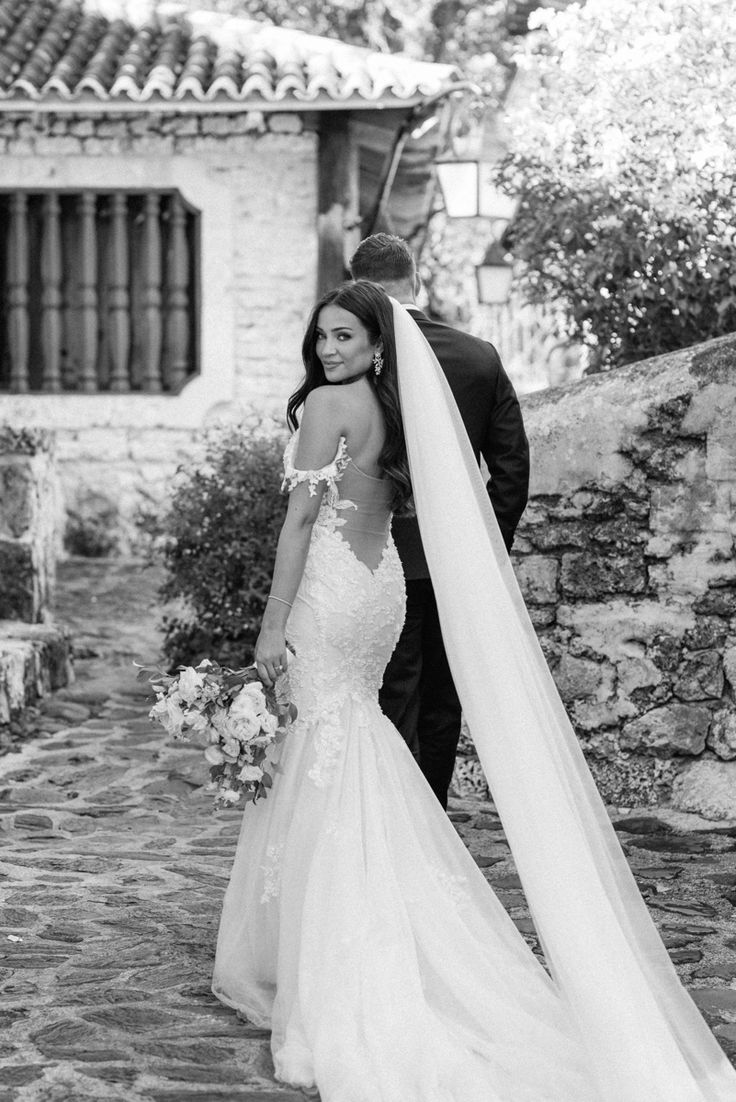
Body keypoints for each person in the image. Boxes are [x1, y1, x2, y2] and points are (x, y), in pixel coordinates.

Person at [212, 280, 736, 1102]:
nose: (328, 351)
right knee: (351, 739)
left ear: (378, 342)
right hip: (379, 584)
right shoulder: (402, 410)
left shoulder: (327, 406)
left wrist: (271, 623)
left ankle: (330, 950)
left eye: (344, 336)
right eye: (321, 339)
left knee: (324, 742)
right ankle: (363, 924)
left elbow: (301, 524)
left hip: (330, 591)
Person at [349, 233, 529, 809]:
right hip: (455, 561)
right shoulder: (479, 356)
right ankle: (434, 811)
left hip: (377, 556)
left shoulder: (354, 358)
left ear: (357, 285)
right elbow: (511, 469)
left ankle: (399, 818)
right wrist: (481, 546)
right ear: (417, 279)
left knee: (390, 689)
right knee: (443, 697)